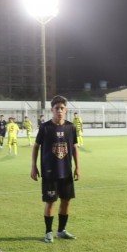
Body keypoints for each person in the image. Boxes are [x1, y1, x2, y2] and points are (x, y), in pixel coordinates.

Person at [31, 96, 80, 243]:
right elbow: (36, 146)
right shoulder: (45, 127)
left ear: (66, 110)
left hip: (66, 171)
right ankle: (48, 232)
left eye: (62, 108)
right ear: (52, 110)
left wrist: (78, 167)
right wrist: (34, 166)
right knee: (51, 202)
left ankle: (61, 231)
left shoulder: (71, 127)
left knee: (66, 201)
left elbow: (74, 147)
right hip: (49, 172)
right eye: (56, 108)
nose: (59, 110)